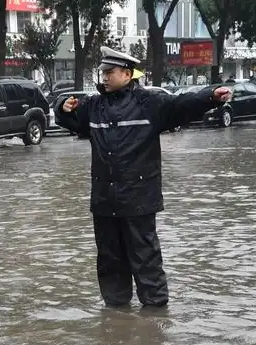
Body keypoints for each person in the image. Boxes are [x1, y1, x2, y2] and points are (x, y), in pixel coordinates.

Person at [54, 46, 231, 308]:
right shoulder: (94, 106)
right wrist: (62, 106)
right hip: (104, 202)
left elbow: (181, 105)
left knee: (145, 259)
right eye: (102, 72)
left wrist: (210, 97)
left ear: (127, 74)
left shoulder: (149, 104)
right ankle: (116, 314)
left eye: (109, 72)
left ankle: (155, 317)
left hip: (138, 200)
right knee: (109, 260)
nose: (104, 77)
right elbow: (67, 119)